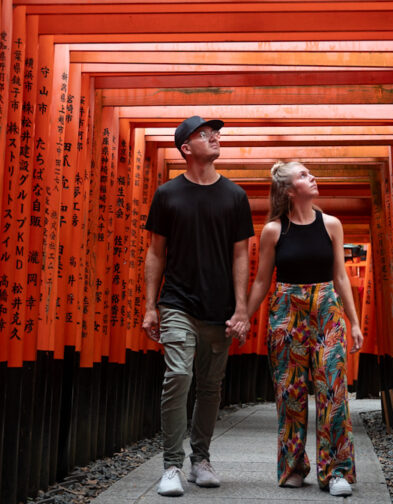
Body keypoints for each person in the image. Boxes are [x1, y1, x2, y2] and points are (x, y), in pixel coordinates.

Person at [142, 115, 254, 497]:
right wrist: (150, 305)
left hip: (220, 307)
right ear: (186, 149)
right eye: (205, 134)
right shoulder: (167, 194)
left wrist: (241, 309)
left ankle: (200, 459)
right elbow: (155, 253)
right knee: (178, 377)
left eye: (216, 133)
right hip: (177, 302)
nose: (215, 137)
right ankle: (171, 464)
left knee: (210, 386)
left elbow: (242, 256)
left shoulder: (235, 197)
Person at [245, 160, 364, 498]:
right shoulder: (273, 230)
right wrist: (244, 316)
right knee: (290, 393)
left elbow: (340, 277)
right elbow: (261, 281)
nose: (313, 177)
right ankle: (294, 466)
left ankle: (337, 470)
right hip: (286, 311)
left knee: (334, 391)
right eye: (303, 175)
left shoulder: (332, 224)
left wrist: (354, 322)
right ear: (288, 189)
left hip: (326, 308)